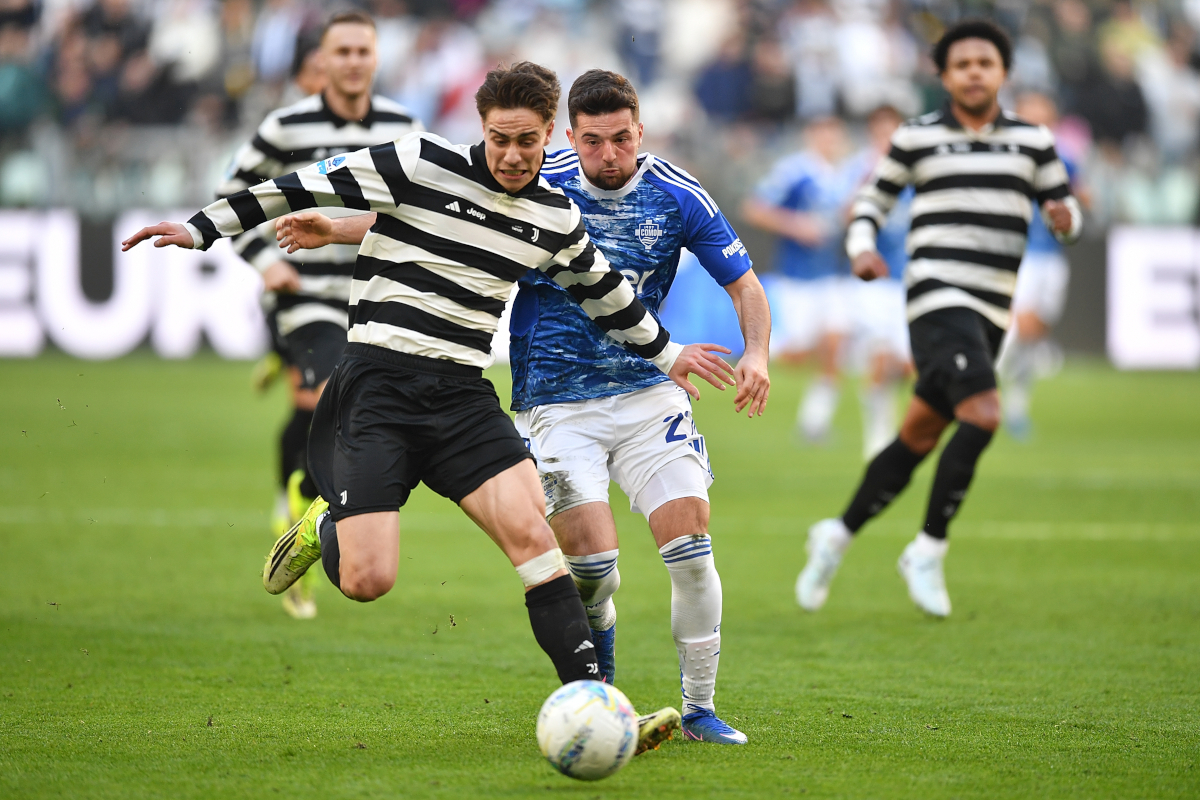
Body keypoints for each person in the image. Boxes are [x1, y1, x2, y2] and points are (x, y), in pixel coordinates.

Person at [122, 61, 731, 751]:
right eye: (500, 138)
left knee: (536, 537)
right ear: (482, 128)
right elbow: (296, 187)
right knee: (367, 579)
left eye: (527, 142)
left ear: (545, 139)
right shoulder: (418, 162)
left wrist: (670, 353)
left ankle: (600, 707)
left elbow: (608, 296)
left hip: (460, 396)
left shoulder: (553, 216)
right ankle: (328, 531)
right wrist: (200, 230)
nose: (511, 154)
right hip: (378, 386)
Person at [279, 69, 772, 746]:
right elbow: (432, 214)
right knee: (591, 570)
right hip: (556, 403)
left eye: (622, 139)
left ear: (641, 132)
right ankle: (606, 698)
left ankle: (698, 710)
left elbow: (744, 281)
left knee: (690, 549)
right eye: (593, 141)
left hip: (647, 394)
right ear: (569, 136)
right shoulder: (536, 173)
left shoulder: (678, 194)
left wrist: (758, 354)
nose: (608, 154)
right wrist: (335, 228)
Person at [795, 20, 1082, 617]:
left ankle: (837, 534)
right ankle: (928, 547)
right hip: (935, 296)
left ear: (1003, 73)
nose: (974, 71)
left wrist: (1064, 219)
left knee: (919, 435)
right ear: (944, 76)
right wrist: (861, 249)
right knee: (983, 413)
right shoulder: (917, 136)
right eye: (962, 64)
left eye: (985, 62)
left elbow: (1066, 208)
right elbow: (871, 202)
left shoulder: (1034, 140)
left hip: (992, 307)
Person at [221, 11, 422, 620]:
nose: (355, 61)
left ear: (376, 58)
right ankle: (311, 507)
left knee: (344, 407)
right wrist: (263, 260)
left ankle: (301, 512)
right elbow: (234, 193)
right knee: (323, 395)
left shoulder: (403, 127)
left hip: (370, 295)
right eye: (344, 51)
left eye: (365, 50)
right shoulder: (286, 126)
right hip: (304, 293)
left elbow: (421, 212)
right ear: (324, 61)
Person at [742, 116, 863, 443]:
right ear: (811, 135)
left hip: (832, 276)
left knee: (835, 345)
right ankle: (762, 355)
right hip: (796, 278)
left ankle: (814, 423)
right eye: (823, 132)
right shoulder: (793, 171)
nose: (830, 139)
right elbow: (755, 208)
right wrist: (796, 225)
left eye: (835, 133)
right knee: (795, 353)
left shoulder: (844, 174)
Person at [998, 92, 1085, 439]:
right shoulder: (1006, 155)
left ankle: (1017, 408)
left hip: (1053, 257)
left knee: (1034, 337)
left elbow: (1078, 196)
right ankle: (982, 391)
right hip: (1021, 253)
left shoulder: (1065, 157)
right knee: (1019, 328)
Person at [849, 105, 914, 460]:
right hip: (874, 280)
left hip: (911, 278)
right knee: (880, 355)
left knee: (907, 365)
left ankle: (890, 423)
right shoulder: (860, 168)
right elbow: (845, 215)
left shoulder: (917, 169)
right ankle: (877, 437)